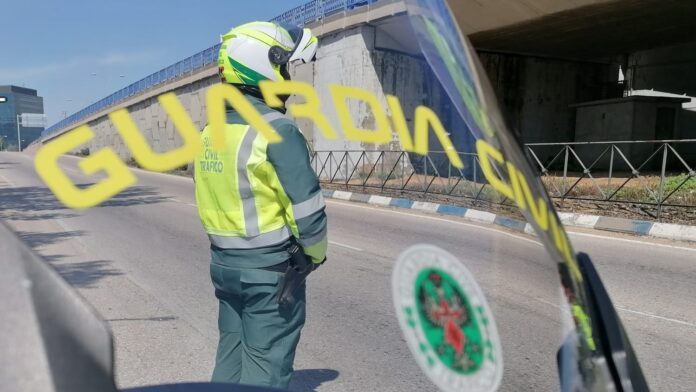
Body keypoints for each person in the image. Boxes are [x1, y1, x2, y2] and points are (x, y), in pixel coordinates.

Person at [193, 21, 327, 389]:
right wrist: (313, 254)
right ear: (266, 65)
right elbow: (308, 207)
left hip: (223, 266)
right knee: (267, 365)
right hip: (270, 272)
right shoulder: (277, 131)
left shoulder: (210, 133)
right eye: (285, 68)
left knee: (231, 354)